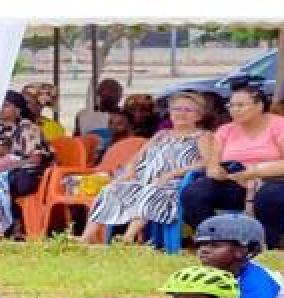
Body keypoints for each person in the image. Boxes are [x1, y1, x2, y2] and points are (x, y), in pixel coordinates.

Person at [80, 91, 210, 245]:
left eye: (188, 110)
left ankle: (128, 238)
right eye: (177, 109)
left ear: (199, 116)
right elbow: (137, 158)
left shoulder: (202, 136)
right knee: (111, 189)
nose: (181, 113)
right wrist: (129, 171)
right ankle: (86, 237)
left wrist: (172, 174)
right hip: (144, 179)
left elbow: (206, 162)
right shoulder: (161, 135)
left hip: (173, 184)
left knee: (150, 190)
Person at [181, 82, 284, 250]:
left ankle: (266, 245)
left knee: (269, 196)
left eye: (240, 105)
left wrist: (255, 171)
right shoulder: (225, 130)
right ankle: (218, 241)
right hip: (235, 181)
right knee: (194, 193)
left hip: (273, 180)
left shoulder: (279, 125)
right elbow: (212, 165)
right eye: (231, 105)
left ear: (259, 106)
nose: (234, 110)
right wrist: (218, 172)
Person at [0, 90, 52, 246]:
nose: (0, 109)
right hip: (2, 173)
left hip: (28, 175)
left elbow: (35, 159)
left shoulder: (28, 128)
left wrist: (4, 167)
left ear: (18, 109)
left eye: (5, 105)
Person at [194, 214, 284, 298]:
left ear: (242, 250)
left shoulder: (258, 277)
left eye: (214, 245)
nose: (203, 250)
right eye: (201, 245)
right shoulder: (212, 276)